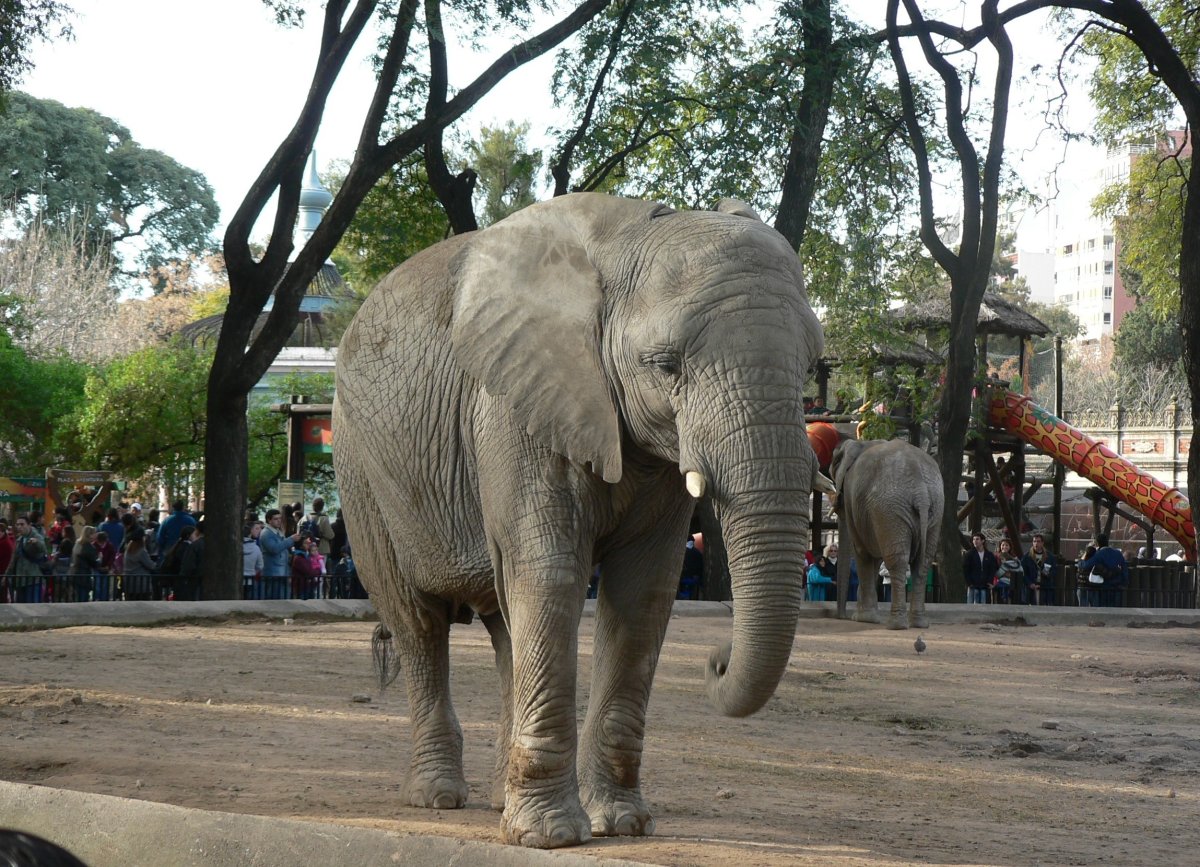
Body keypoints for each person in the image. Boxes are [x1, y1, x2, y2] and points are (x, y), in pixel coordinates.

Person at [6, 515, 50, 603]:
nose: (19, 527)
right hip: (20, 580)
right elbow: (13, 559)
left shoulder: (37, 536)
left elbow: (43, 548)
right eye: (17, 525)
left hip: (33, 580)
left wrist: (36, 542)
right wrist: (7, 575)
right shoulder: (19, 540)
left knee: (32, 608)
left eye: (22, 524)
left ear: (29, 525)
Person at [1078, 534, 1129, 608]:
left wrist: (1081, 561)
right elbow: (1124, 569)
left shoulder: (1098, 554)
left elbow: (1085, 565)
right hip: (1117, 587)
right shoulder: (1118, 553)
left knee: (1104, 611)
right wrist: (1124, 582)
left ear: (1097, 543)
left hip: (1104, 588)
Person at [260, 509, 300, 599]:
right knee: (275, 600)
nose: (279, 521)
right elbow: (274, 549)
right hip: (273, 573)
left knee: (284, 599)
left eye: (280, 518)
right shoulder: (266, 533)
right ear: (269, 520)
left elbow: (283, 548)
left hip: (282, 572)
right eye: (275, 519)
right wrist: (291, 539)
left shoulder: (278, 531)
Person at [1020, 533, 1056, 605]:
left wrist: (1047, 574)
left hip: (1045, 587)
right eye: (1034, 541)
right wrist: (1030, 584)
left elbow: (1054, 571)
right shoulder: (1026, 557)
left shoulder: (1050, 557)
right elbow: (1023, 573)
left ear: (1042, 543)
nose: (1036, 543)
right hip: (1031, 587)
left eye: (1038, 541)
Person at [70, 526, 103, 603]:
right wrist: (100, 559)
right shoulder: (89, 548)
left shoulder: (77, 544)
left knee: (76, 597)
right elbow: (94, 564)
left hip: (74, 574)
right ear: (90, 535)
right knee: (83, 598)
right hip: (84, 576)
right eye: (94, 533)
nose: (96, 534)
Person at [962, 532, 998, 604]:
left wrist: (990, 581)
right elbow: (965, 569)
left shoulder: (989, 555)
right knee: (972, 605)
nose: (975, 541)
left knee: (984, 605)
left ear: (983, 541)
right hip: (973, 584)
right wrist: (969, 583)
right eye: (973, 539)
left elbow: (993, 568)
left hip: (985, 584)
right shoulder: (969, 554)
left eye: (977, 539)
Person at [177, 520, 206, 601]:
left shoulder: (195, 546)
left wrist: (184, 575)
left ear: (197, 531)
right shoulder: (216, 544)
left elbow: (188, 565)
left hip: (196, 581)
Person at [122, 535, 156, 601]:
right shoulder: (141, 551)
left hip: (129, 583)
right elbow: (151, 565)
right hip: (141, 584)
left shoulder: (128, 550)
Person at [291, 534, 320, 600]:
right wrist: (319, 570)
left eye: (308, 543)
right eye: (305, 543)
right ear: (300, 545)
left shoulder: (307, 555)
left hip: (308, 586)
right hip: (302, 587)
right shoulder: (299, 557)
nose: (308, 544)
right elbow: (309, 571)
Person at [993, 539, 1022, 604]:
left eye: (1007, 545)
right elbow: (995, 572)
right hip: (999, 582)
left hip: (1012, 583)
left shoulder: (1014, 558)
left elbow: (1019, 570)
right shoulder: (995, 557)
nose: (1004, 547)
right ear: (1000, 546)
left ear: (1010, 547)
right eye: (1003, 545)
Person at [243, 521, 264, 600]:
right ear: (250, 533)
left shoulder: (235, 548)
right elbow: (260, 566)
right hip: (250, 580)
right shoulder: (256, 548)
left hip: (236, 580)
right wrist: (253, 571)